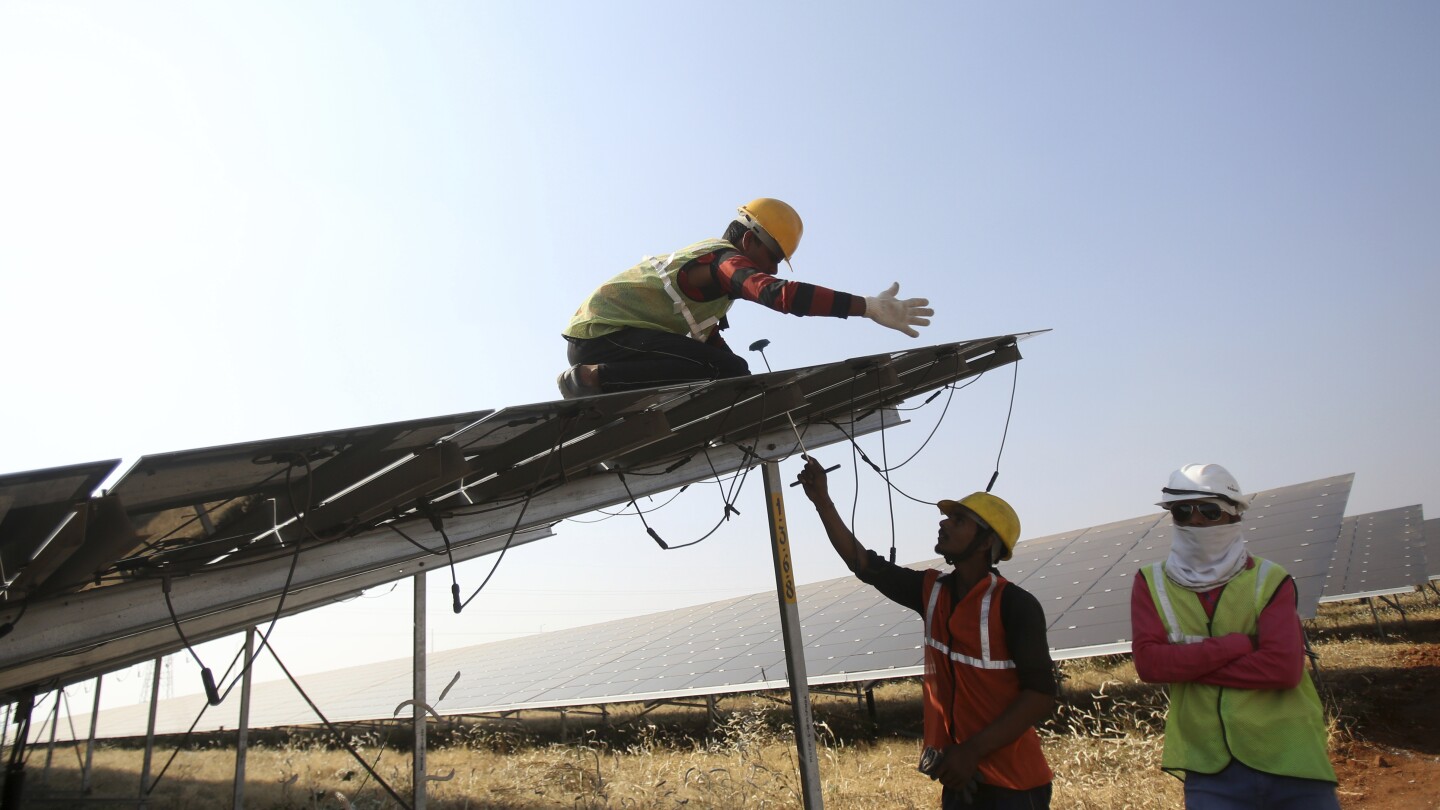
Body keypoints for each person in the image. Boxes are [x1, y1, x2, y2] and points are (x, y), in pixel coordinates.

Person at [796, 456, 1056, 809]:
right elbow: (865, 565)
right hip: (960, 775)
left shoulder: (1015, 605)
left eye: (958, 520)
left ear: (984, 543)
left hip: (1012, 785)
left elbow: (1040, 695)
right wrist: (822, 502)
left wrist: (972, 751)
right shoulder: (933, 591)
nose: (944, 523)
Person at [558, 198, 934, 398]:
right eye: (772, 257)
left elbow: (703, 344)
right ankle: (591, 380)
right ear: (749, 239)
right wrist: (866, 307)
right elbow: (779, 295)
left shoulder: (710, 271)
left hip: (610, 336)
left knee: (729, 370)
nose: (770, 269)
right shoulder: (722, 262)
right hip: (602, 338)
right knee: (726, 371)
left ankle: (604, 386)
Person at [1130, 463, 1340, 809]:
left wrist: (1185, 666)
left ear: (1232, 515)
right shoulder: (1151, 582)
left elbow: (1283, 670)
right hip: (1210, 767)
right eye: (1183, 511)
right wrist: (1238, 645)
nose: (1195, 521)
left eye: (1209, 511)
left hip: (1290, 759)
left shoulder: (1270, 578)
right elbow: (1150, 665)